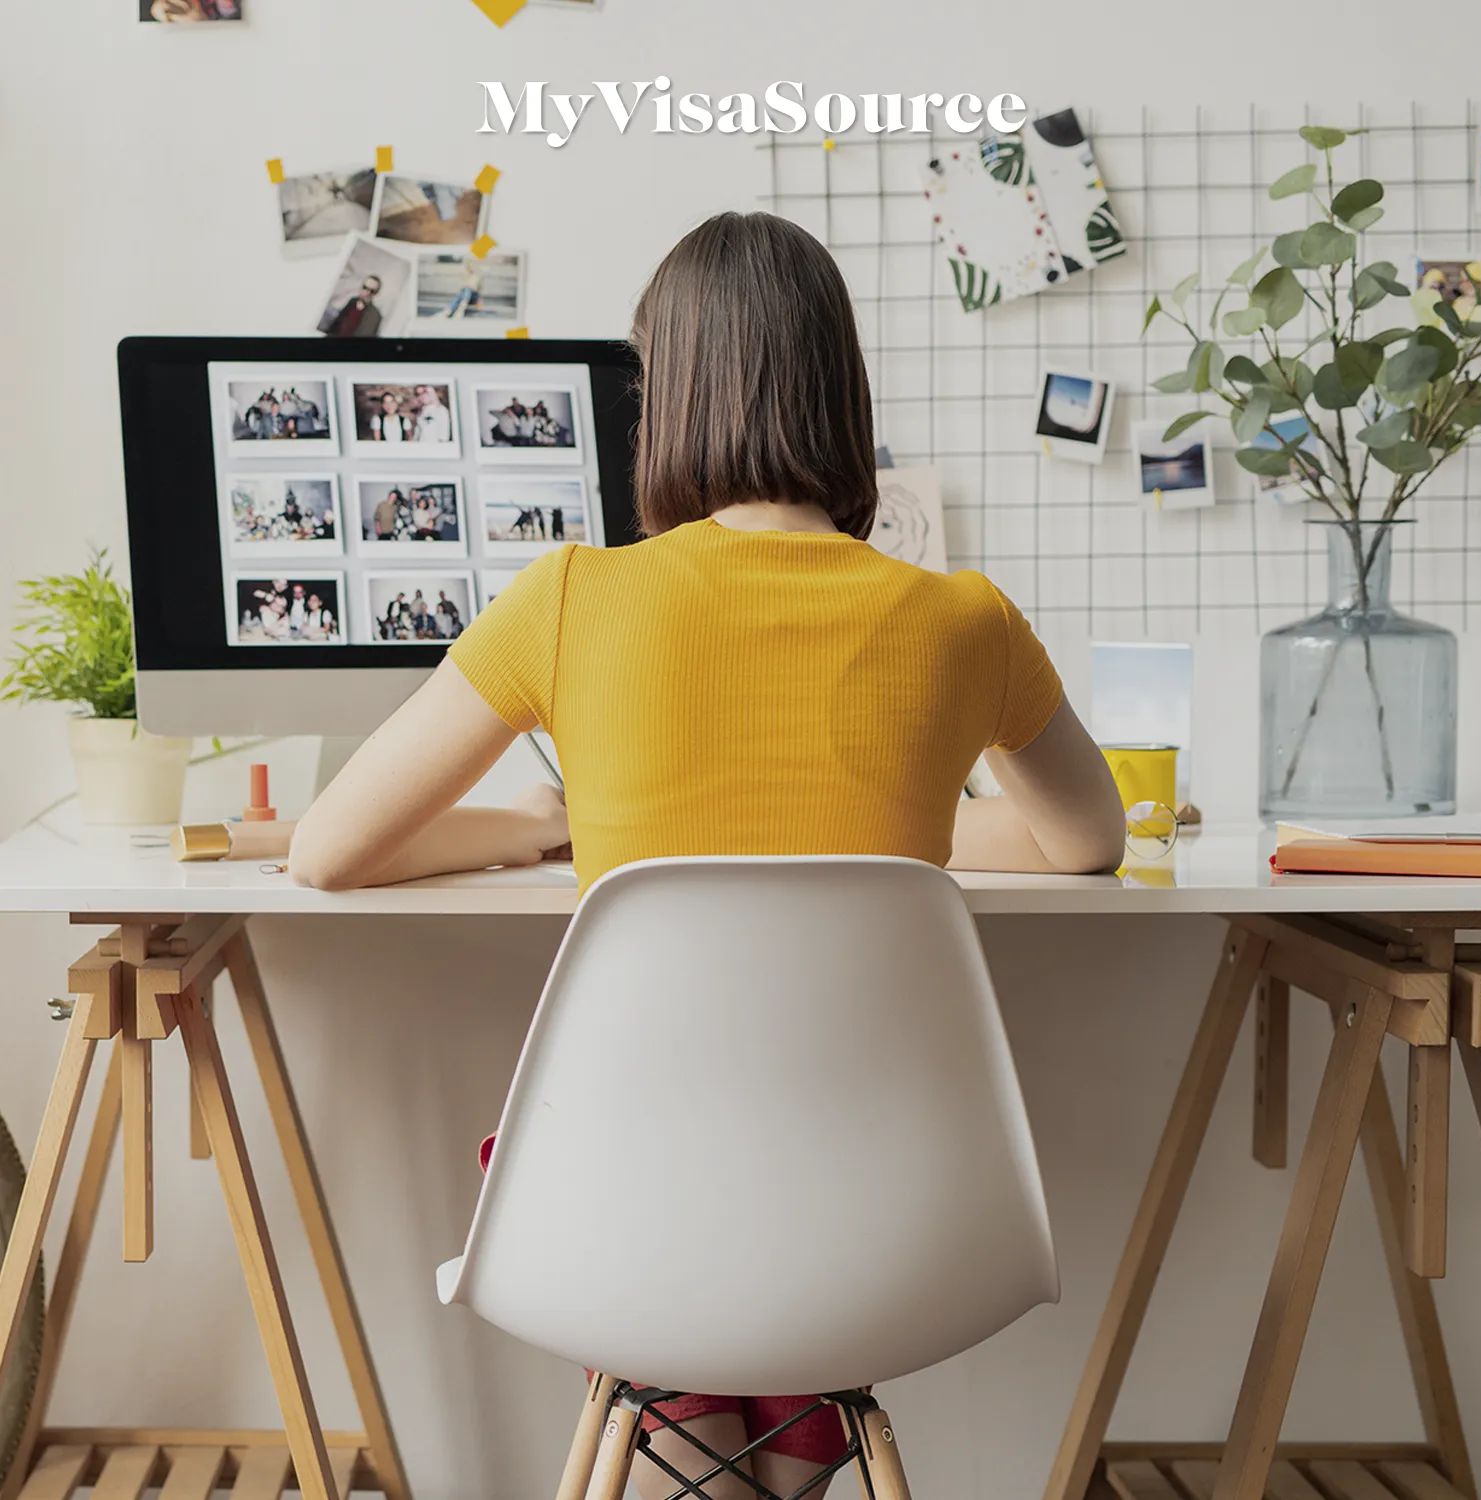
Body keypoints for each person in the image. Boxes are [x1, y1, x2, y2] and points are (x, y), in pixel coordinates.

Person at [290, 211, 1123, 1500]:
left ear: (662, 396)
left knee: (625, 1159)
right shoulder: (963, 618)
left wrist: (538, 823)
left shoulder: (569, 599)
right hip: (892, 1229)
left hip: (620, 1227)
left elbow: (328, 851)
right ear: (845, 396)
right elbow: (1089, 840)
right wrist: (897, 821)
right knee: (772, 1172)